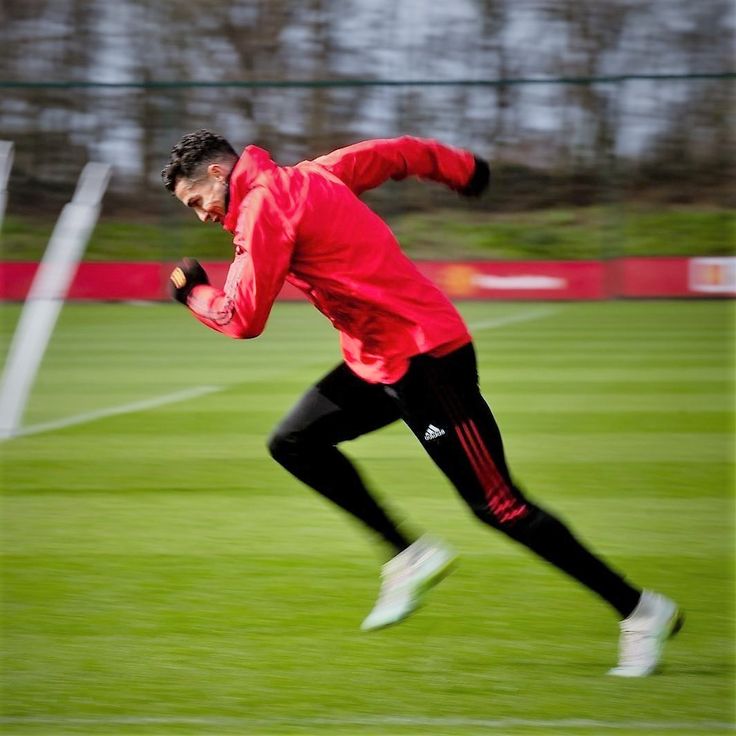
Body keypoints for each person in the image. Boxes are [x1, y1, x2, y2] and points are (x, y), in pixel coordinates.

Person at [161, 129, 682, 676]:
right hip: (379, 360)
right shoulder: (312, 173)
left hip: (428, 361)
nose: (202, 216)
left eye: (197, 201)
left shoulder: (262, 210)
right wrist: (461, 168)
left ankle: (640, 610)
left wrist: (191, 292)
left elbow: (242, 318)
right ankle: (408, 556)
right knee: (294, 442)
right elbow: (392, 153)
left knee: (499, 507)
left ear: (220, 173)